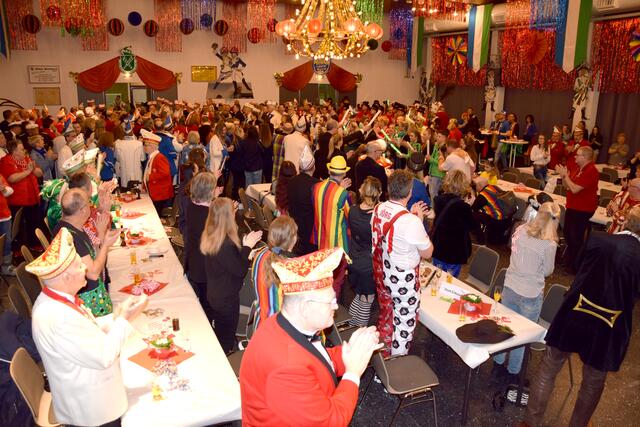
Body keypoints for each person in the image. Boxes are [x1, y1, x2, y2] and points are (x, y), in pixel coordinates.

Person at [521, 206, 640, 427]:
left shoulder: (598, 239)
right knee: (593, 381)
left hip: (575, 310)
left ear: (625, 222)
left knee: (549, 367)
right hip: (610, 323)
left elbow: (577, 266)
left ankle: (530, 422)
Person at [239, 247, 383, 426]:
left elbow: (316, 360)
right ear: (305, 308)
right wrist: (353, 373)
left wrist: (352, 351)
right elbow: (331, 421)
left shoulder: (279, 323)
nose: (336, 306)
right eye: (330, 301)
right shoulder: (286, 368)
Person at [28, 227, 147, 427]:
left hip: (89, 397)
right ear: (66, 278)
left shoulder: (57, 300)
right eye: (79, 265)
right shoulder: (57, 316)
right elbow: (104, 356)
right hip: (92, 411)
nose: (85, 267)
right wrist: (125, 320)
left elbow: (85, 328)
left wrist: (116, 315)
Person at [493, 202, 560, 378]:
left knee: (505, 326)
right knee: (523, 335)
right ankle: (514, 372)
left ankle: (497, 364)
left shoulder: (521, 229)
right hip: (530, 292)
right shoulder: (549, 244)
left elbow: (512, 250)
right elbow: (547, 271)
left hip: (510, 286)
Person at [371, 170, 432, 355]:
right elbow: (428, 252)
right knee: (404, 324)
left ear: (389, 188)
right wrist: (419, 220)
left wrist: (412, 217)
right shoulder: (411, 222)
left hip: (383, 273)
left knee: (387, 315)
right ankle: (395, 364)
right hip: (403, 279)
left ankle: (383, 353)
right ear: (410, 192)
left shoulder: (378, 208)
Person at [200, 197, 262, 353]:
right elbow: (240, 270)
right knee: (225, 339)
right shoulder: (225, 244)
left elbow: (229, 263)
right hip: (226, 299)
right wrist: (247, 247)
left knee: (222, 331)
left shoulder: (212, 235)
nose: (235, 213)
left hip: (216, 293)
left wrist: (245, 253)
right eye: (233, 211)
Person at [54, 189, 117, 317]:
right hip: (88, 302)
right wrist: (105, 245)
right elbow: (93, 273)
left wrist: (100, 234)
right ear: (82, 210)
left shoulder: (70, 226)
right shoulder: (70, 236)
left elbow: (93, 255)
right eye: (89, 203)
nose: (91, 206)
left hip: (92, 294)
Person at [556, 146, 598, 272]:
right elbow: (567, 186)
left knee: (576, 237)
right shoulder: (577, 168)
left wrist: (566, 176)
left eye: (578, 155)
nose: (575, 156)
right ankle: (569, 261)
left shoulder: (591, 170)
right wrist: (563, 176)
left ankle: (575, 266)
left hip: (583, 209)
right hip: (573, 206)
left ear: (585, 157)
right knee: (568, 234)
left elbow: (574, 189)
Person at [184, 172, 220, 320]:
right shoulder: (209, 216)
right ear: (209, 191)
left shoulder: (191, 206)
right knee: (207, 306)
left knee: (202, 301)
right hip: (205, 269)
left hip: (194, 263)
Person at [251, 216, 297, 326]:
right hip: (282, 329)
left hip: (261, 324)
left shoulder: (259, 255)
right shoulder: (294, 268)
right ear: (293, 239)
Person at [347, 177, 381, 327]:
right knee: (367, 301)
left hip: (354, 259)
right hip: (368, 265)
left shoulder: (353, 210)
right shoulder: (375, 218)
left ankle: (350, 326)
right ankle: (358, 331)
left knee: (360, 296)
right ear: (378, 193)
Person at [431, 170, 477, 277]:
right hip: (456, 251)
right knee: (450, 281)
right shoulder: (464, 207)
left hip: (439, 247)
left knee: (436, 277)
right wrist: (470, 206)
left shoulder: (438, 200)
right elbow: (473, 226)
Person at [0, 139, 43, 251]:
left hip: (32, 198)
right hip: (16, 201)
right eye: (22, 149)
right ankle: (18, 250)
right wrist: (28, 171)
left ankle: (33, 244)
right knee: (18, 228)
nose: (24, 151)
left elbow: (40, 173)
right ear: (14, 151)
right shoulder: (6, 161)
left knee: (33, 223)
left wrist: (33, 169)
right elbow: (11, 178)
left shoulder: (27, 159)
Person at [312, 156, 352, 252]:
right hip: (338, 245)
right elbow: (350, 216)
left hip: (321, 242)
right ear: (344, 173)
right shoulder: (343, 193)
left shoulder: (315, 188)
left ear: (329, 171)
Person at [288, 145, 320, 255]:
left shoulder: (291, 181)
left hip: (294, 228)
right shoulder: (317, 185)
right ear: (313, 167)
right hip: (311, 232)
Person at [141, 129, 174, 213]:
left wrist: (150, 177)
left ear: (153, 146)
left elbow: (165, 173)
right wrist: (144, 185)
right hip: (155, 193)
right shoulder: (152, 157)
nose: (144, 147)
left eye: (146, 145)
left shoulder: (159, 157)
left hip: (160, 194)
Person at [472, 175, 511, 244]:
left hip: (498, 222)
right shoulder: (494, 187)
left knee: (472, 214)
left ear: (479, 186)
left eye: (476, 186)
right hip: (507, 219)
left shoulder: (483, 195)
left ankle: (480, 238)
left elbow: (473, 208)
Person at [426, 129, 447, 201]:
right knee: (431, 192)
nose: (437, 138)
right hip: (432, 171)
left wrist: (431, 159)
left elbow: (444, 163)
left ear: (444, 138)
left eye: (439, 136)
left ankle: (434, 207)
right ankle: (433, 206)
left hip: (438, 173)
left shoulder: (445, 148)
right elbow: (433, 157)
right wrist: (429, 158)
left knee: (433, 193)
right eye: (437, 136)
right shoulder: (436, 146)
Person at [0, 173, 14, 275]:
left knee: (6, 243)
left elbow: (10, 191)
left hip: (4, 215)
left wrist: (3, 189)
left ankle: (6, 266)